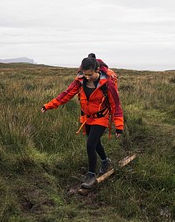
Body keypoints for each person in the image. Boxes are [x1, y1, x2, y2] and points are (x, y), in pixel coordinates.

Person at [41, 57, 124, 189]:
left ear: (97, 70)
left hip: (101, 117)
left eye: (90, 74)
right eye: (85, 74)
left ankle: (91, 175)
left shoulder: (108, 84)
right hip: (86, 118)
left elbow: (116, 105)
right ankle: (105, 161)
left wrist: (119, 126)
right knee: (96, 143)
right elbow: (66, 95)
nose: (87, 77)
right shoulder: (79, 81)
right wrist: (48, 106)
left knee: (90, 144)